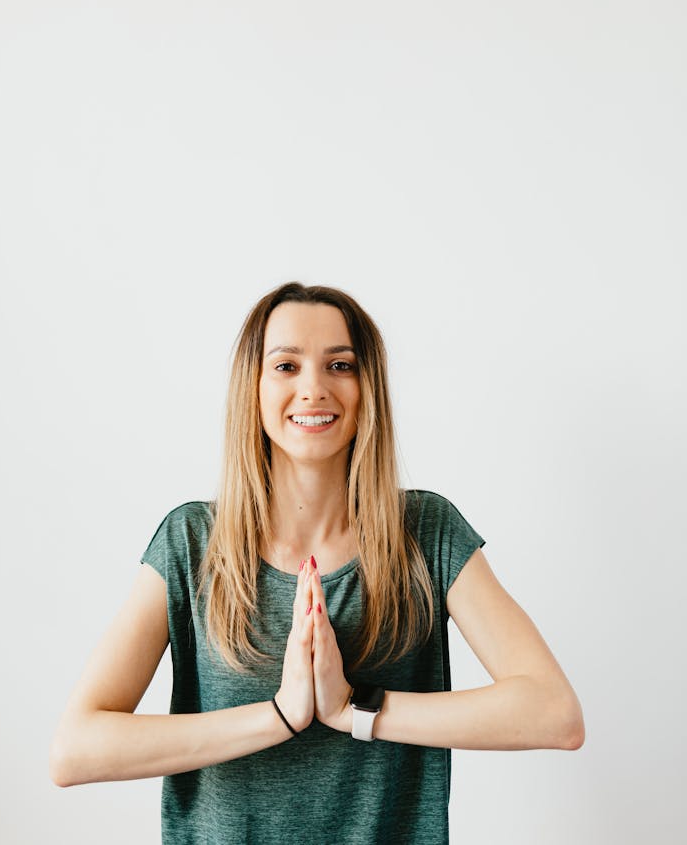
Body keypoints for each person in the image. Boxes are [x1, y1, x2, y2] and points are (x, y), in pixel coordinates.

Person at [50, 281, 584, 843]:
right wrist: (280, 716)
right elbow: (76, 751)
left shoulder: (427, 533)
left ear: (366, 387)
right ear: (251, 389)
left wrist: (357, 711)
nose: (313, 388)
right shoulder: (191, 542)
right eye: (286, 366)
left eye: (340, 365)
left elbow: (554, 712)